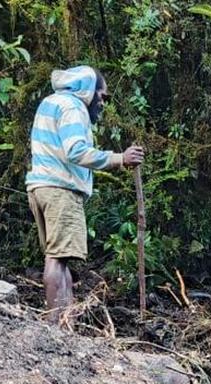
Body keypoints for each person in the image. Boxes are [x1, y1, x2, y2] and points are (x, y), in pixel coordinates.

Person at [25, 65, 144, 324]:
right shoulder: (73, 107)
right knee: (57, 259)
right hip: (61, 190)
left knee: (59, 258)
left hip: (40, 188)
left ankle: (66, 322)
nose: (103, 103)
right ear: (88, 90)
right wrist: (120, 159)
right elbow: (76, 151)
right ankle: (54, 324)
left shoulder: (51, 103)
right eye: (102, 96)